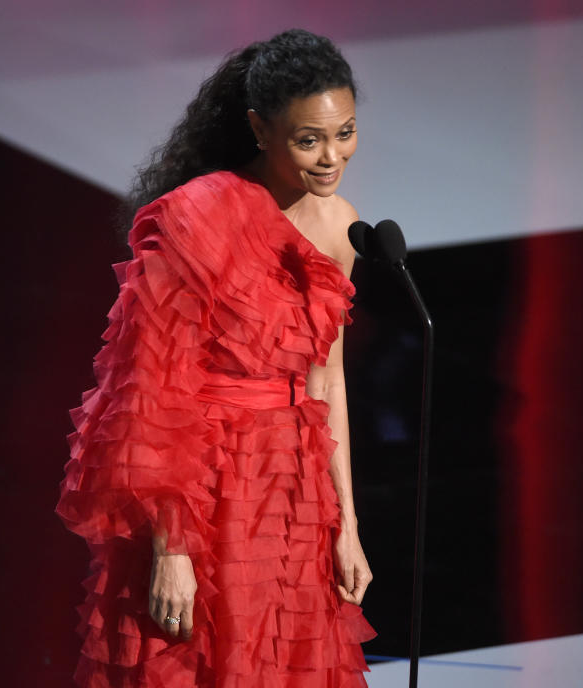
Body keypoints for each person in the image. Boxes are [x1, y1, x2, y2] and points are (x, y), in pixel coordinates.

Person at [56, 28, 376, 687]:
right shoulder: (195, 220)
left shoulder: (343, 225)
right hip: (207, 486)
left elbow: (327, 377)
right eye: (308, 138)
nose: (330, 156)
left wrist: (346, 523)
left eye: (343, 132)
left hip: (294, 489)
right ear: (260, 128)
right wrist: (172, 548)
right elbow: (151, 386)